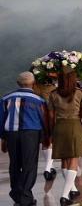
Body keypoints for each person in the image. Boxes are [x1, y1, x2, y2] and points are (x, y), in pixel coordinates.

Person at [1, 72, 49, 206]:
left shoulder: (6, 98)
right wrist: (46, 137)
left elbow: (1, 120)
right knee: (29, 165)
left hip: (11, 134)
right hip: (31, 134)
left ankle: (18, 195)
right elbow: (43, 119)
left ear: (18, 83)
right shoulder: (39, 100)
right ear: (33, 83)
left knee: (15, 165)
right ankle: (25, 197)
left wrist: (3, 139)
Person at [48, 66, 82, 206]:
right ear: (73, 78)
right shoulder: (80, 93)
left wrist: (51, 133)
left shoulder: (53, 94)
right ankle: (65, 196)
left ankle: (73, 189)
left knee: (65, 160)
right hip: (74, 126)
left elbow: (51, 116)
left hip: (59, 127)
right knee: (73, 160)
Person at [32, 72, 57, 181]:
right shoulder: (51, 89)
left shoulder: (35, 89)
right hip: (49, 118)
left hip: (38, 119)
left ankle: (50, 167)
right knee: (51, 142)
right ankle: (47, 168)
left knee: (45, 143)